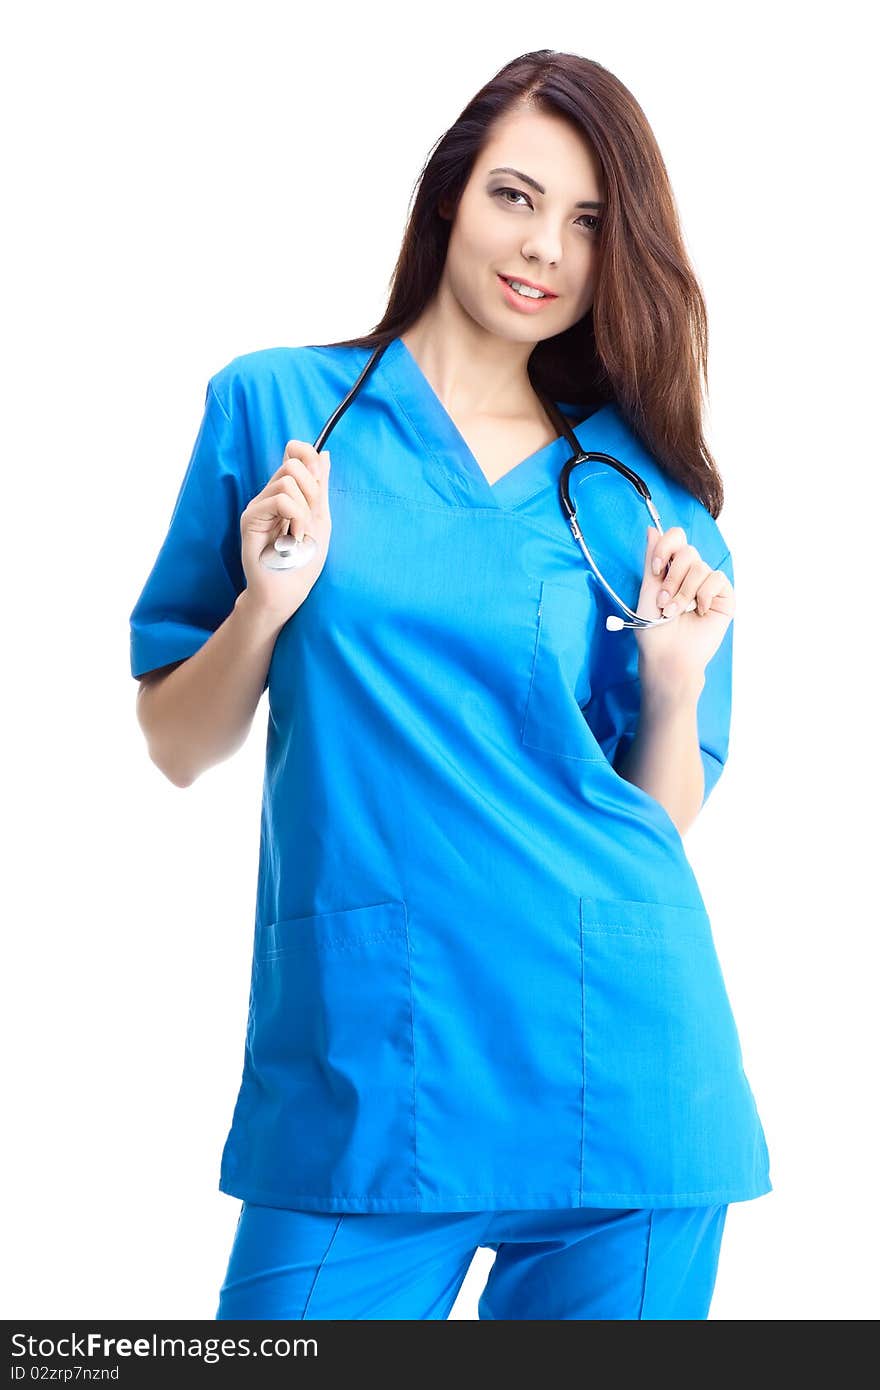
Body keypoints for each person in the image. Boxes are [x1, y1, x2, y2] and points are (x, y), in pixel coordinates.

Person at [129, 49, 772, 1320]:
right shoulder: (281, 414)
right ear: (448, 197)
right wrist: (265, 604)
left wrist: (675, 674)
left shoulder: (642, 497)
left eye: (590, 222)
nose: (543, 249)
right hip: (373, 1070)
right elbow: (174, 742)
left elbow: (655, 821)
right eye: (515, 196)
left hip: (622, 1078)